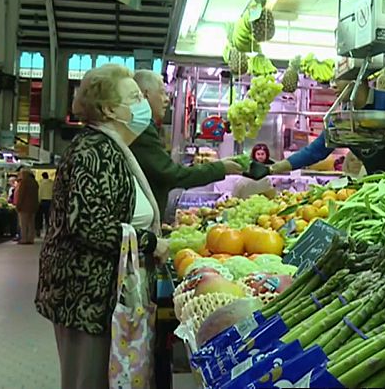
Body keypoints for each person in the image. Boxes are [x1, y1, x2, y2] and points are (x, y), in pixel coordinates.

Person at [35, 64, 169, 388]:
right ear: (110, 109)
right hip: (86, 297)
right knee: (88, 380)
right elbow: (89, 225)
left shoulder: (113, 147)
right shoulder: (92, 151)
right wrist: (152, 243)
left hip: (101, 295)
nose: (143, 105)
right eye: (135, 97)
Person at [130, 70, 242, 215]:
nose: (166, 99)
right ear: (146, 95)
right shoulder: (141, 130)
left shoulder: (142, 127)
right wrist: (220, 168)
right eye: (162, 93)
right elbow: (171, 174)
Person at [270, 79, 385, 175]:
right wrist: (274, 168)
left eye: (339, 79)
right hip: (376, 181)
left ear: (357, 79)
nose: (333, 85)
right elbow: (315, 151)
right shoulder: (343, 117)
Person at [15, 168, 39, 245]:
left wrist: (18, 205)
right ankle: (30, 238)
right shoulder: (35, 182)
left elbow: (21, 195)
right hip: (33, 206)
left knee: (23, 223)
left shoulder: (24, 182)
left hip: (24, 206)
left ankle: (24, 239)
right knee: (31, 223)